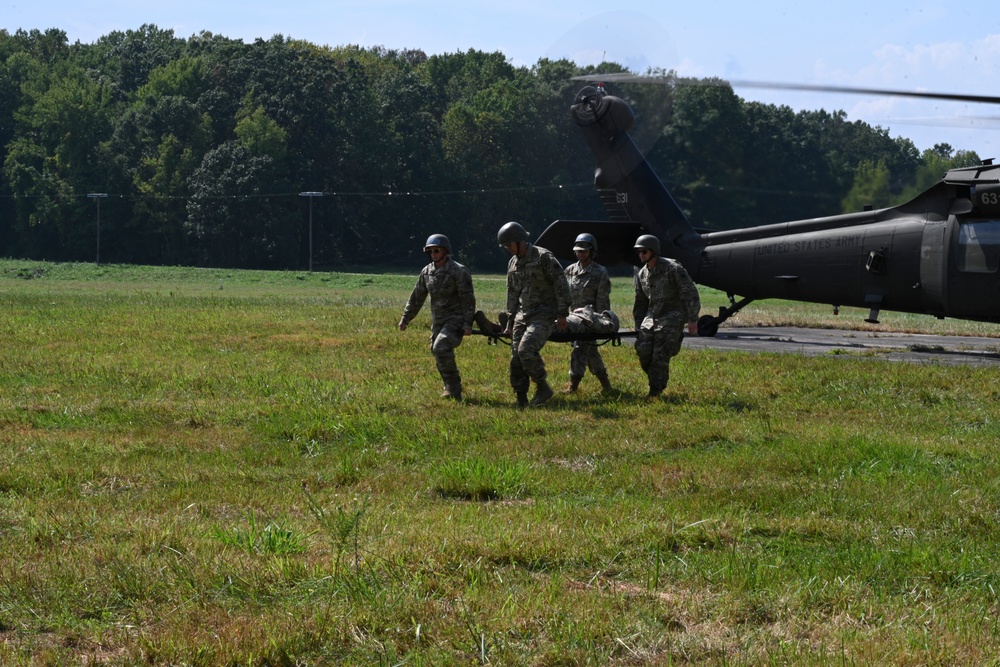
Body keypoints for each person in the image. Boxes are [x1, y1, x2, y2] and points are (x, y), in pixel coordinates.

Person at [497, 221, 570, 407]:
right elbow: (512, 292)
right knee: (516, 357)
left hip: (544, 314)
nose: (508, 249)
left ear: (521, 241)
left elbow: (561, 283)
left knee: (526, 350)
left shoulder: (543, 257)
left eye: (510, 245)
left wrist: (562, 313)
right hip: (522, 315)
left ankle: (543, 387)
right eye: (505, 247)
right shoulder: (513, 263)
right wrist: (510, 319)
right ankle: (521, 398)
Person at [398, 234, 475, 401]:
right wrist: (406, 318)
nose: (433, 253)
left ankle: (453, 387)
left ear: (445, 251)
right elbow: (417, 297)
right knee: (436, 349)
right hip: (438, 320)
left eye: (436, 250)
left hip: (456, 319)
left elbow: (468, 299)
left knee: (441, 346)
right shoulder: (427, 272)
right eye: (430, 251)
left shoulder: (458, 271)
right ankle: (449, 385)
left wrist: (468, 323)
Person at [632, 234, 701, 398]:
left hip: (672, 318)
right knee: (643, 352)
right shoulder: (642, 274)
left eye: (644, 251)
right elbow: (640, 301)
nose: (641, 255)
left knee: (660, 355)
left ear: (653, 251)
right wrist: (637, 325)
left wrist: (692, 318)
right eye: (639, 252)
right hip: (651, 319)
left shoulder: (673, 268)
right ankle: (656, 381)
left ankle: (655, 391)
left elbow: (689, 292)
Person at [562, 233, 614, 394]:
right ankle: (606, 386)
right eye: (578, 251)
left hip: (591, 320)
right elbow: (564, 296)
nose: (580, 254)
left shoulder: (599, 272)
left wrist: (602, 322)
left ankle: (574, 385)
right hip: (574, 320)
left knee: (580, 349)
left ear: (592, 251)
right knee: (590, 351)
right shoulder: (570, 271)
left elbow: (603, 300)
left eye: (584, 251)